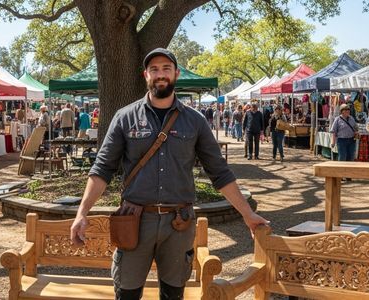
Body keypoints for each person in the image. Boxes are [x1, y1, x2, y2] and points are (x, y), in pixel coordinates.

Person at [69, 48, 268, 300]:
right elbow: (102, 169)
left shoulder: (195, 121)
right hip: (134, 221)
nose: (160, 74)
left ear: (176, 73)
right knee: (126, 293)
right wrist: (81, 213)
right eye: (154, 69)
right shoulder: (124, 117)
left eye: (165, 68)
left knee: (173, 294)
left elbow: (220, 173)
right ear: (145, 75)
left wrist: (247, 214)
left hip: (179, 223)